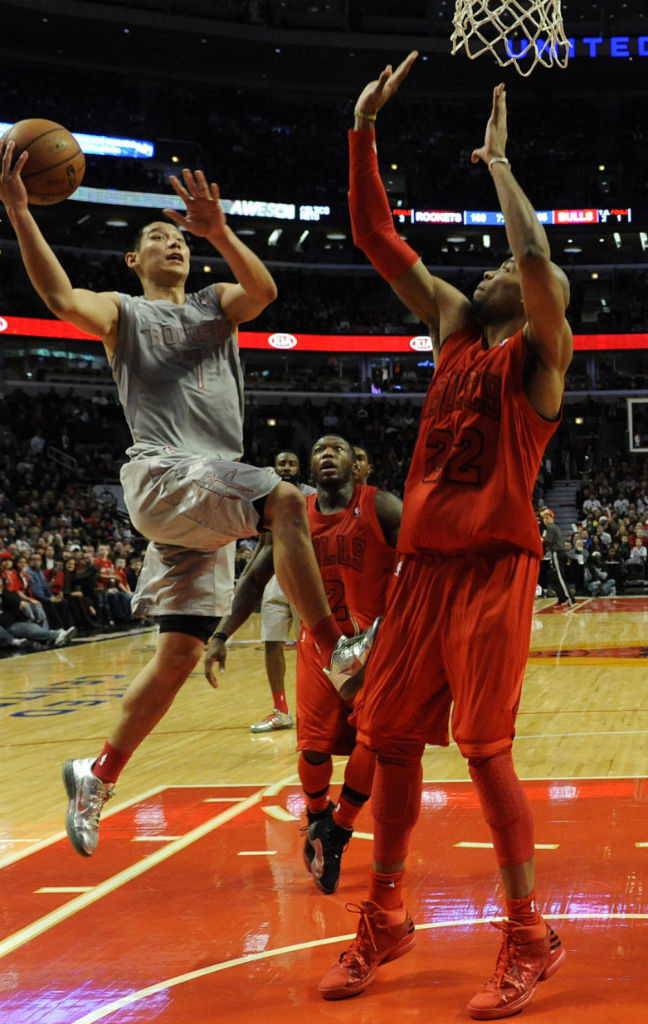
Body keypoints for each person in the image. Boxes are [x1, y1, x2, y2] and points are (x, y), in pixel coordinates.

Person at [0, 152, 374, 857]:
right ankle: (334, 652)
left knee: (177, 652)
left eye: (179, 238)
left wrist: (221, 230)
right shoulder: (125, 312)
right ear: (133, 260)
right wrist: (20, 210)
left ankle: (97, 774)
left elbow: (262, 291)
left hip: (207, 495)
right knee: (286, 499)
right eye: (157, 239)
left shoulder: (214, 303)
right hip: (166, 474)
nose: (172, 244)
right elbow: (59, 299)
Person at [316, 54, 572, 1020]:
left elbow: (540, 265)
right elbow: (377, 240)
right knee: (384, 739)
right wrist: (361, 130)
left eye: (508, 262)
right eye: (496, 260)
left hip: (493, 571)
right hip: (421, 575)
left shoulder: (543, 360)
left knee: (485, 750)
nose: (497, 266)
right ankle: (383, 916)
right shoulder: (458, 328)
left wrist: (501, 167)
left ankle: (528, 934)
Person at [205, 434, 402, 894]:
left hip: (372, 651)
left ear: (357, 465)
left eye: (338, 448)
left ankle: (340, 829)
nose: (327, 454)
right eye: (319, 450)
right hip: (319, 649)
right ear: (310, 469)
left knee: (369, 747)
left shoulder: (384, 508)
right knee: (313, 749)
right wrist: (219, 635)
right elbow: (255, 578)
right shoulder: (295, 518)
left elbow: (424, 561)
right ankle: (317, 819)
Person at [250, 450, 316, 734]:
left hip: (305, 574)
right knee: (271, 642)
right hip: (275, 576)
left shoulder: (312, 495)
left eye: (291, 463)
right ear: (273, 468)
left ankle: (316, 706)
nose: (286, 467)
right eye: (281, 464)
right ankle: (281, 710)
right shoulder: (269, 496)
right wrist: (248, 579)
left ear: (300, 468)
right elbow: (264, 543)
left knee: (313, 644)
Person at [539, 508, 574, 608]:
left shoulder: (550, 528)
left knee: (560, 578)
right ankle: (562, 598)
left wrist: (541, 538)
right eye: (544, 518)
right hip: (558, 553)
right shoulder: (554, 527)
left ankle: (571, 599)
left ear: (552, 518)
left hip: (557, 553)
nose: (545, 520)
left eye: (547, 517)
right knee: (552, 577)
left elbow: (548, 541)